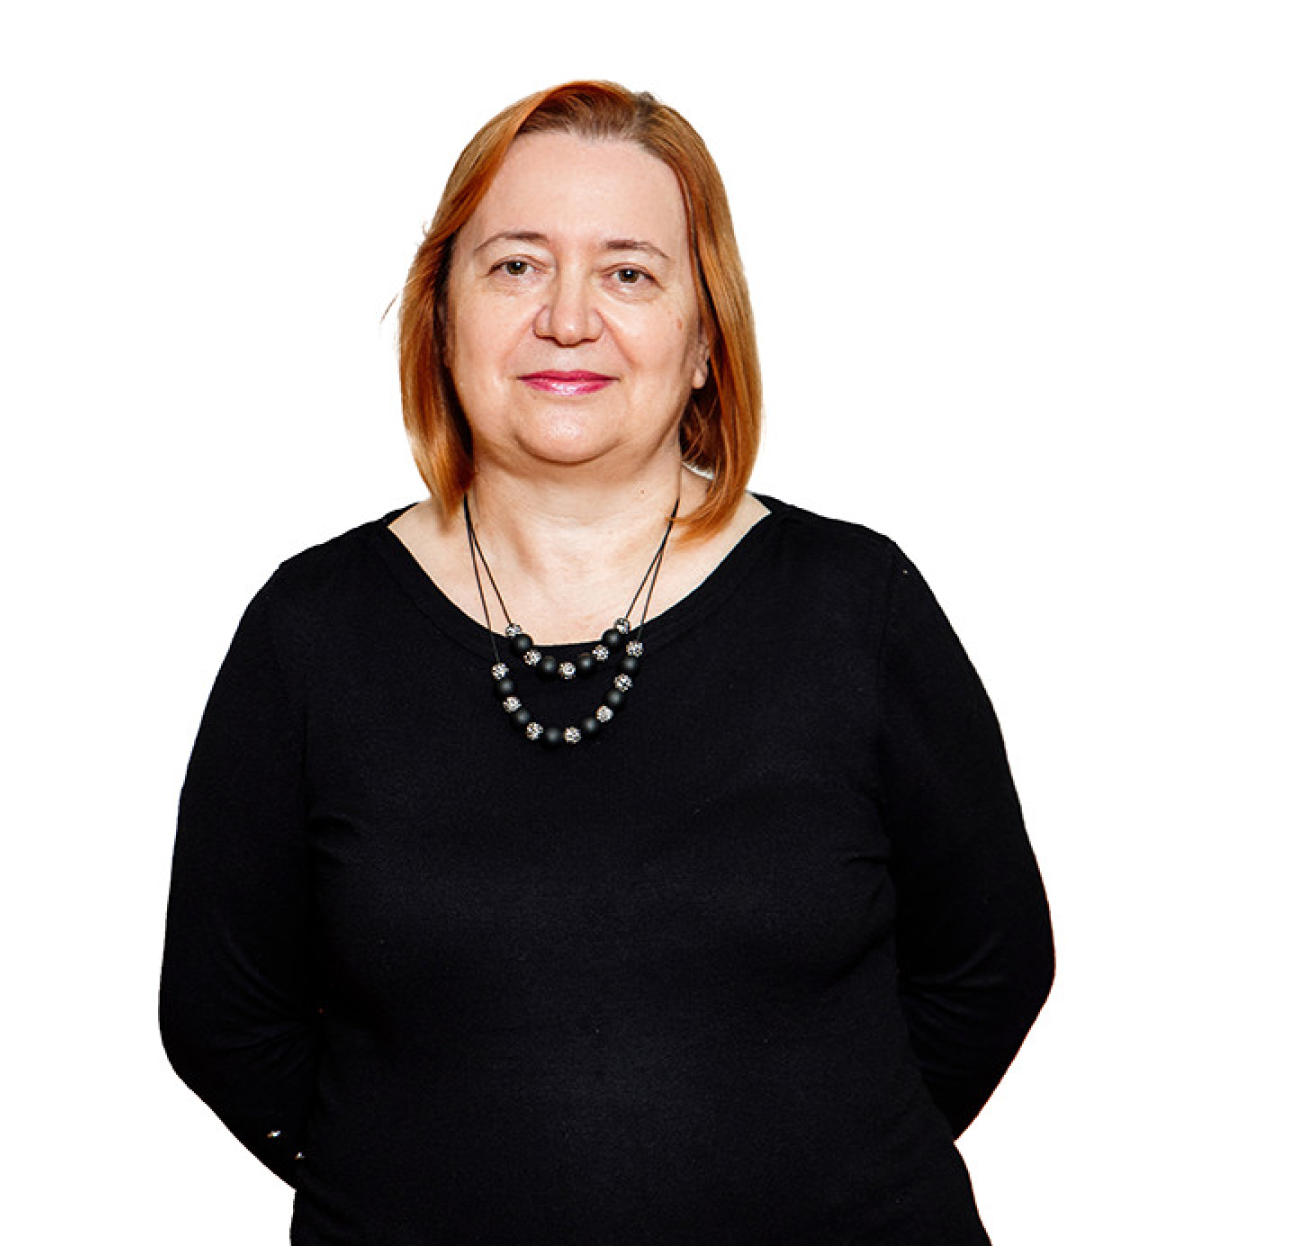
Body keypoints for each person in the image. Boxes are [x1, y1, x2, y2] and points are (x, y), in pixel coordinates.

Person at [160, 80, 1054, 1244]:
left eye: (629, 273)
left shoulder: (857, 606)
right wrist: (424, 1183)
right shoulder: (310, 633)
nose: (569, 319)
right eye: (516, 266)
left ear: (704, 339)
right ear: (441, 315)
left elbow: (990, 967)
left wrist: (805, 1173)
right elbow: (223, 1017)